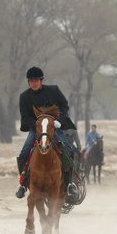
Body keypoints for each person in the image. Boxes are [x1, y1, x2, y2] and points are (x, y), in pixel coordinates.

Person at [15, 66, 78, 199]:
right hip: (36, 130)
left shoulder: (53, 90)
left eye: (36, 80)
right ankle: (23, 184)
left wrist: (59, 121)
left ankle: (70, 183)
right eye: (31, 81)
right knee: (24, 153)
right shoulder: (24, 97)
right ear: (28, 82)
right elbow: (25, 117)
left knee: (69, 150)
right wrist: (38, 126)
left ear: (41, 81)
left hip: (55, 126)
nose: (33, 83)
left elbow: (64, 106)